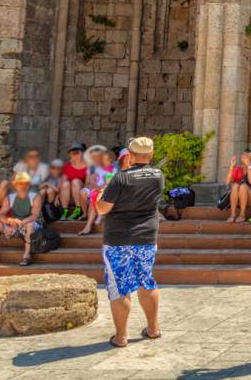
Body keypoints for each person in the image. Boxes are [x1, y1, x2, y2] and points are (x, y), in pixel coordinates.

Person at [95, 136, 164, 348]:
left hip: (119, 238)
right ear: (151, 155)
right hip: (146, 237)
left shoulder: (120, 178)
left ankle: (121, 336)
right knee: (146, 280)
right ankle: (153, 329)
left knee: (119, 287)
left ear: (130, 155)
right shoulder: (158, 175)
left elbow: (102, 209)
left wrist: (100, 194)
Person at [0, 172, 42, 266]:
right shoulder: (10, 198)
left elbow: (34, 216)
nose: (23, 185)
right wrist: (9, 221)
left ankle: (27, 256)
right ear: (15, 184)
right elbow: (1, 215)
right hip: (14, 224)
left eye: (25, 183)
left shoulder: (36, 197)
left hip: (31, 223)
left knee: (30, 225)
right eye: (20, 183)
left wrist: (19, 223)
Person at [79, 147, 117, 236]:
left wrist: (97, 187)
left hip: (103, 192)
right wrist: (92, 182)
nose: (103, 161)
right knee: (83, 192)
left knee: (95, 198)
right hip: (94, 189)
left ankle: (88, 226)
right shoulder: (97, 168)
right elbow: (91, 181)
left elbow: (107, 184)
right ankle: (85, 213)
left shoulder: (113, 171)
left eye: (105, 159)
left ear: (110, 160)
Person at [225, 149, 251, 223]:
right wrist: (231, 167)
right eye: (245, 157)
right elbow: (227, 182)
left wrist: (249, 166)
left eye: (249, 158)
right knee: (235, 185)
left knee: (243, 186)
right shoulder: (238, 168)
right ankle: (233, 215)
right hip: (238, 198)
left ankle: (242, 215)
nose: (246, 159)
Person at [59, 142, 90, 220]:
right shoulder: (68, 166)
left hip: (81, 194)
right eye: (73, 154)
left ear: (82, 153)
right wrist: (57, 196)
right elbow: (63, 183)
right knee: (65, 183)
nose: (75, 156)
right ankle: (65, 211)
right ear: (70, 155)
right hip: (69, 196)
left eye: (77, 153)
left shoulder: (88, 166)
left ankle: (78, 210)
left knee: (75, 181)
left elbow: (87, 184)